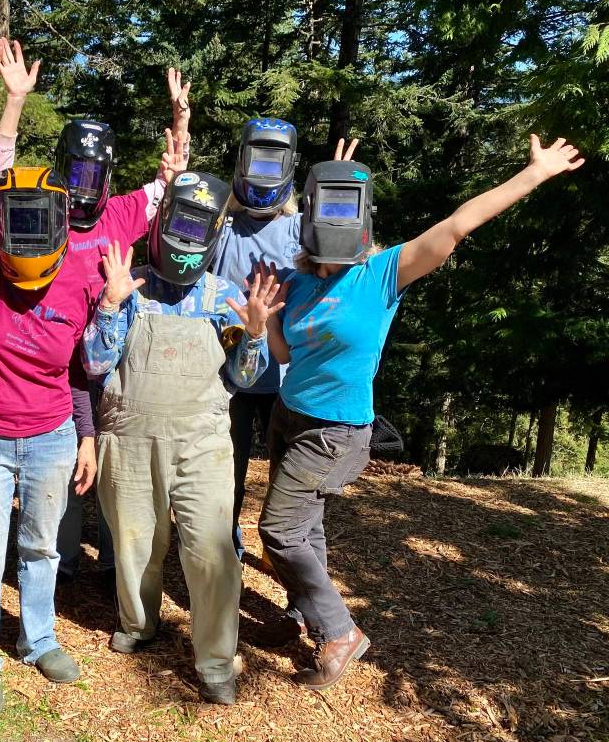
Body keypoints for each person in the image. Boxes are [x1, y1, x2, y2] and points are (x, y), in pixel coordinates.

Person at [258, 135, 583, 691]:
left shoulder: (382, 274)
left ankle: (340, 632)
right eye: (326, 206)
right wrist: (265, 319)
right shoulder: (297, 281)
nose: (335, 219)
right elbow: (288, 355)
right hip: (289, 417)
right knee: (304, 527)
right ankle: (301, 615)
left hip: (336, 430)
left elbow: (458, 224)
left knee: (279, 530)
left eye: (347, 207)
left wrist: (534, 174)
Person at [0, 39, 179, 714]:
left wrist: (86, 435)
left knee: (41, 550)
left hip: (51, 437)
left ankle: (37, 638)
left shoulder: (78, 274)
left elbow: (79, 369)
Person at [0, 45, 192, 582]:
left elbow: (171, 181)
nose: (83, 185)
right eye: (76, 170)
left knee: (117, 471)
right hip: (55, 371)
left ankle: (119, 568)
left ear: (107, 175)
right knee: (66, 477)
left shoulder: (120, 213)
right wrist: (14, 102)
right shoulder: (40, 206)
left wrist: (180, 124)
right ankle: (64, 567)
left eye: (94, 173)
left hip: (111, 369)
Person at [81, 172, 282, 705]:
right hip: (129, 435)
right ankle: (138, 623)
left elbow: (244, 377)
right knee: (134, 541)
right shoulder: (129, 285)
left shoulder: (224, 297)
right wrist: (109, 305)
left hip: (203, 441)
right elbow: (96, 364)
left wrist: (255, 335)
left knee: (212, 552)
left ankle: (215, 662)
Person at [212, 119, 359, 558]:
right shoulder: (224, 226)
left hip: (285, 377)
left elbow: (338, 253)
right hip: (228, 375)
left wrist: (336, 188)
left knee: (290, 481)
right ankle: (225, 554)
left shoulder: (298, 229)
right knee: (227, 473)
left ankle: (286, 559)